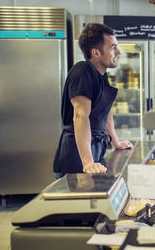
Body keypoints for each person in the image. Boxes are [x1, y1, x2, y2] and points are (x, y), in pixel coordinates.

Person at [53, 23, 133, 179]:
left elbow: (105, 112)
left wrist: (116, 143)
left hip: (95, 150)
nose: (118, 52)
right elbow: (80, 116)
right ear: (96, 52)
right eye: (113, 48)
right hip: (76, 155)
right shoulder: (82, 72)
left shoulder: (101, 75)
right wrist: (88, 162)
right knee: (79, 203)